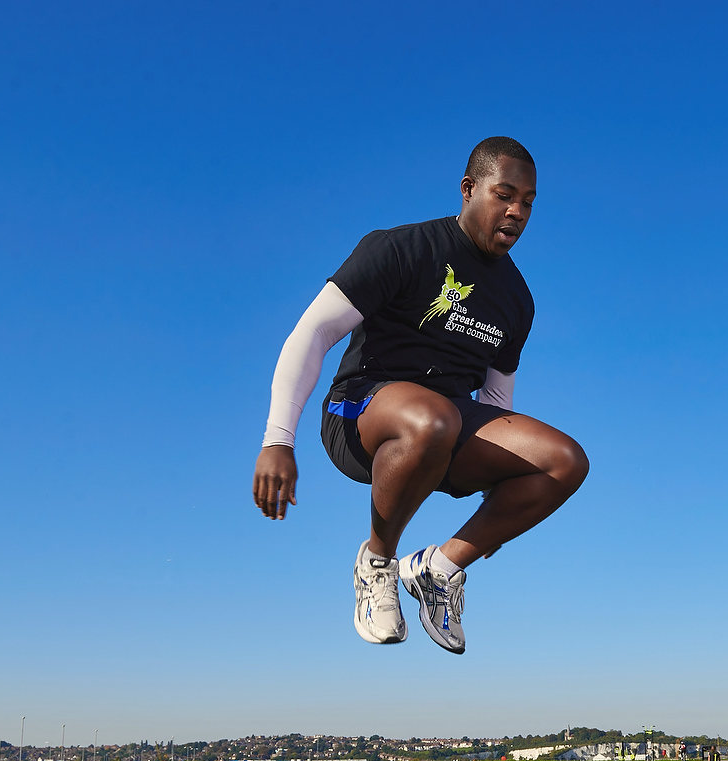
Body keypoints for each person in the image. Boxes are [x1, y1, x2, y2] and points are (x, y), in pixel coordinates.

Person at [252, 137, 588, 654]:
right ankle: (377, 563)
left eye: (528, 202)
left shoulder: (518, 299)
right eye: (504, 195)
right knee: (432, 417)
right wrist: (278, 439)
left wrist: (500, 502)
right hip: (361, 414)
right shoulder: (399, 248)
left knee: (565, 461)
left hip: (447, 429)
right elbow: (312, 333)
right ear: (468, 189)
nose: (517, 211)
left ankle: (440, 569)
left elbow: (496, 405)